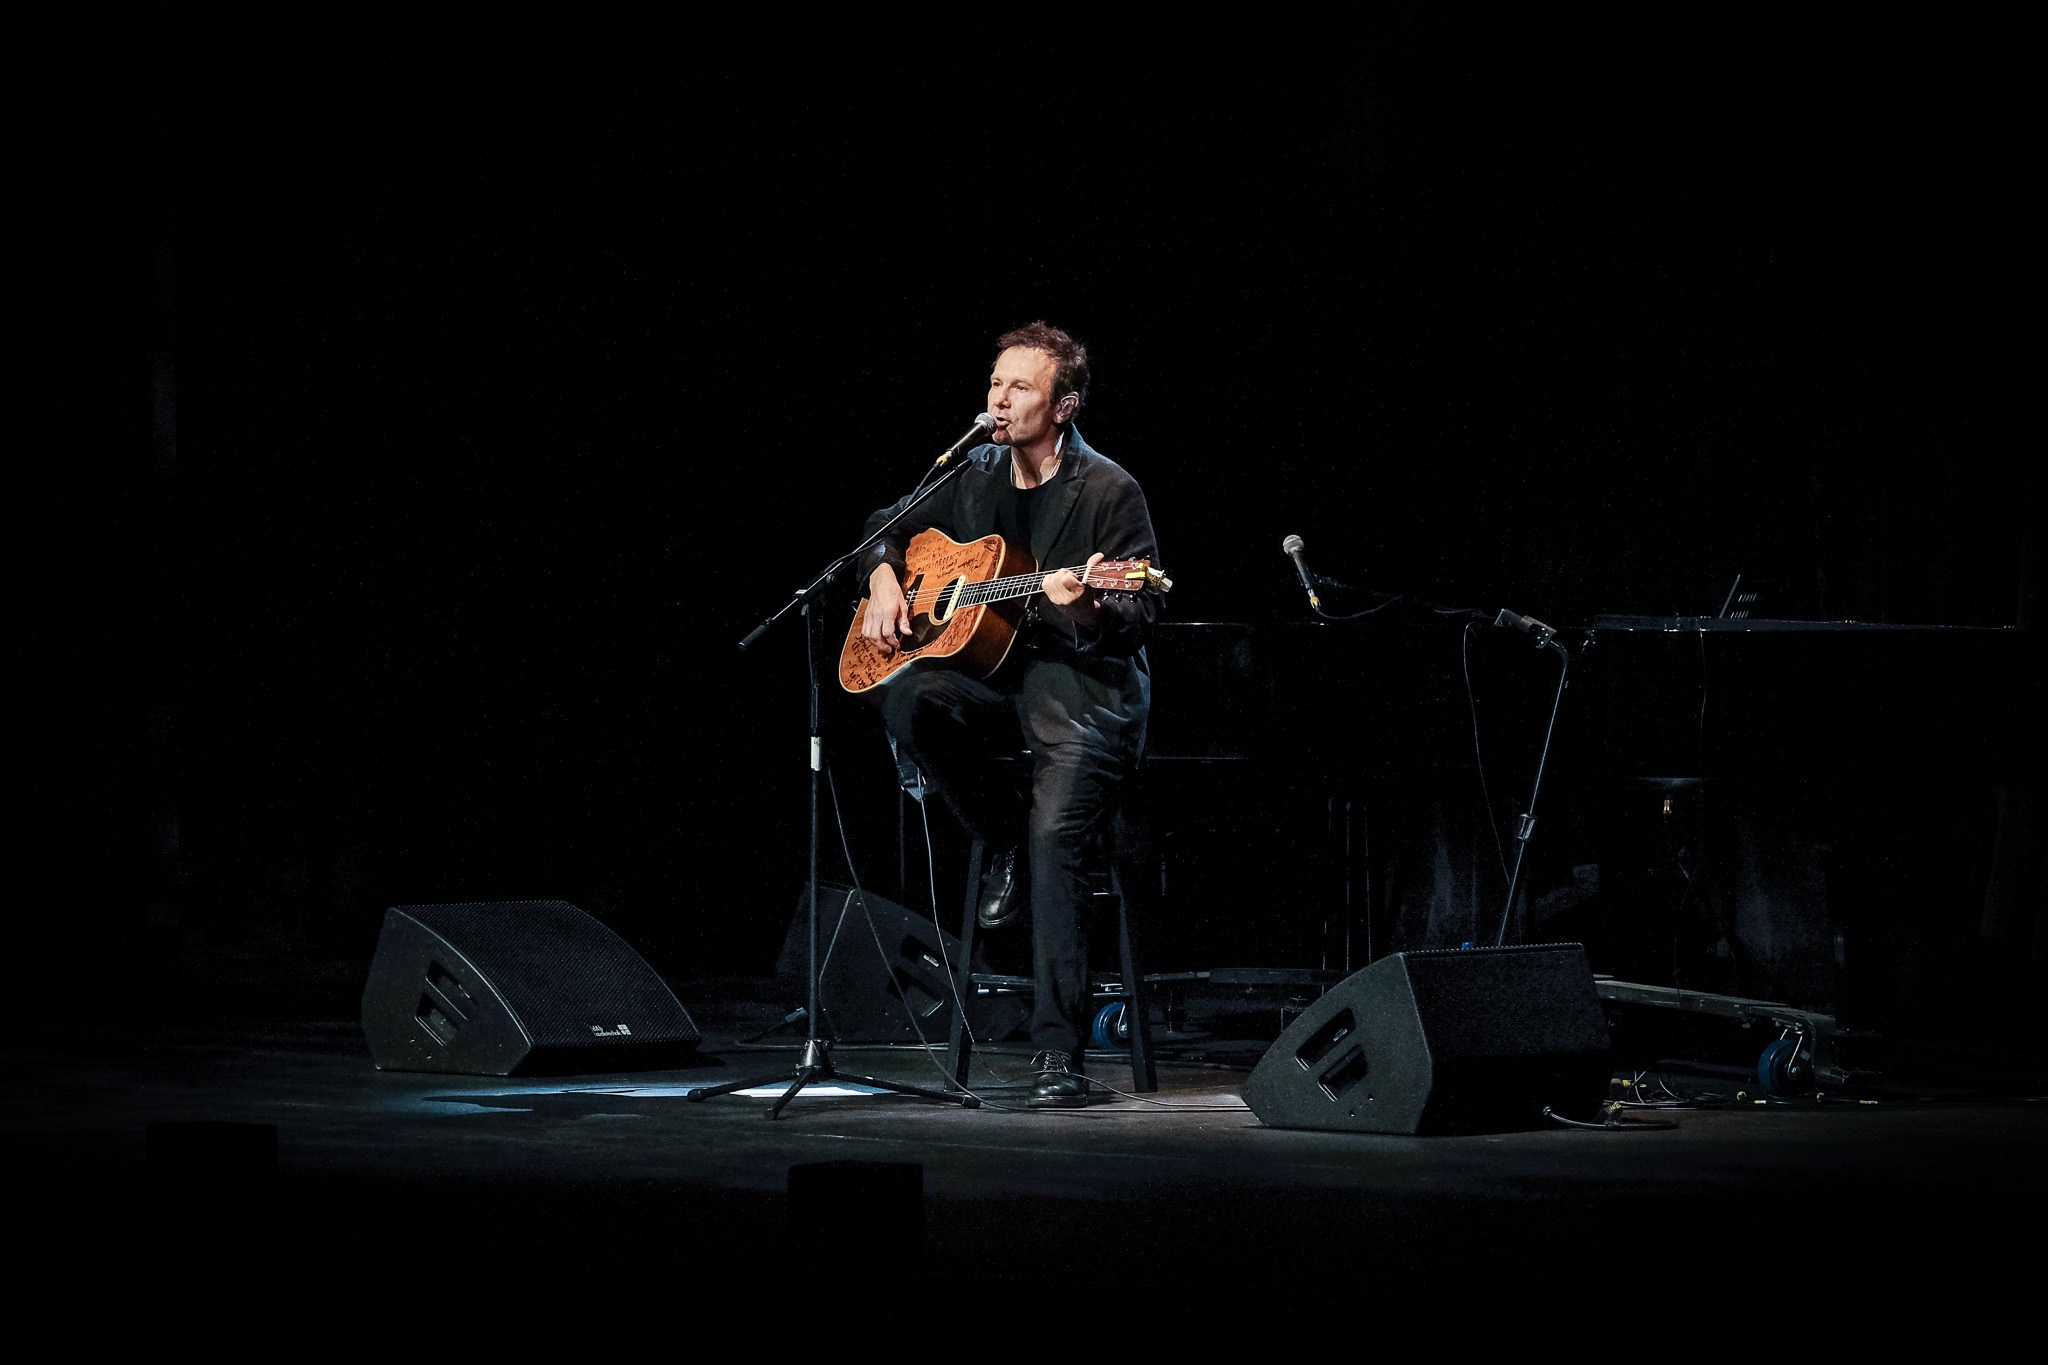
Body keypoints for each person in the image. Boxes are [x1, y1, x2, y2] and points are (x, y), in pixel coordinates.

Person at [853, 320, 1165, 1107]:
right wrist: (885, 578)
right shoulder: (975, 470)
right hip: (997, 684)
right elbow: (882, 531)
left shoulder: (1108, 490)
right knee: (910, 696)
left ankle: (1058, 1053)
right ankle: (1002, 838)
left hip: (1083, 692)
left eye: (1018, 386)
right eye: (995, 382)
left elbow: (1133, 624)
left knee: (1055, 835)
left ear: (1061, 407)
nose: (998, 396)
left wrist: (1086, 603)